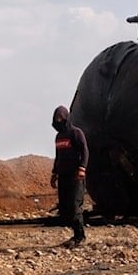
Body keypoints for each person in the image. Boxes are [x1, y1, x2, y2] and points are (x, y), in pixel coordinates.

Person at [50, 105, 88, 247]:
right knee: (65, 207)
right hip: (63, 176)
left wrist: (82, 168)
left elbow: (85, 151)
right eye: (56, 119)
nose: (58, 121)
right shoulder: (59, 137)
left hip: (75, 176)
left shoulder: (76, 133)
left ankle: (80, 237)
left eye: (60, 118)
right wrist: (54, 173)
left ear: (66, 118)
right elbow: (58, 156)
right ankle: (75, 235)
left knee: (75, 205)